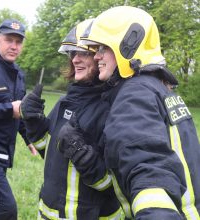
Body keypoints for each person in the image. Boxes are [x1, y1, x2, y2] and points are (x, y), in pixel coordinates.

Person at [64, 5, 200, 219]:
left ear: (128, 45)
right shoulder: (158, 88)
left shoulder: (134, 94)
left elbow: (148, 168)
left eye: (102, 48)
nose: (96, 56)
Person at [20, 19, 124, 219]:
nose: (75, 59)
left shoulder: (113, 108)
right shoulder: (65, 102)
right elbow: (48, 151)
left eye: (84, 52)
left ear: (102, 55)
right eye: (72, 53)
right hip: (49, 212)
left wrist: (83, 155)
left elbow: (114, 185)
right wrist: (33, 122)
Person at [0, 19, 36, 220]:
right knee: (6, 210)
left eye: (18, 42)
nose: (14, 46)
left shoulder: (18, 74)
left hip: (3, 154)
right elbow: (10, 109)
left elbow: (18, 111)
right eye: (9, 40)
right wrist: (6, 109)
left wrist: (28, 138)